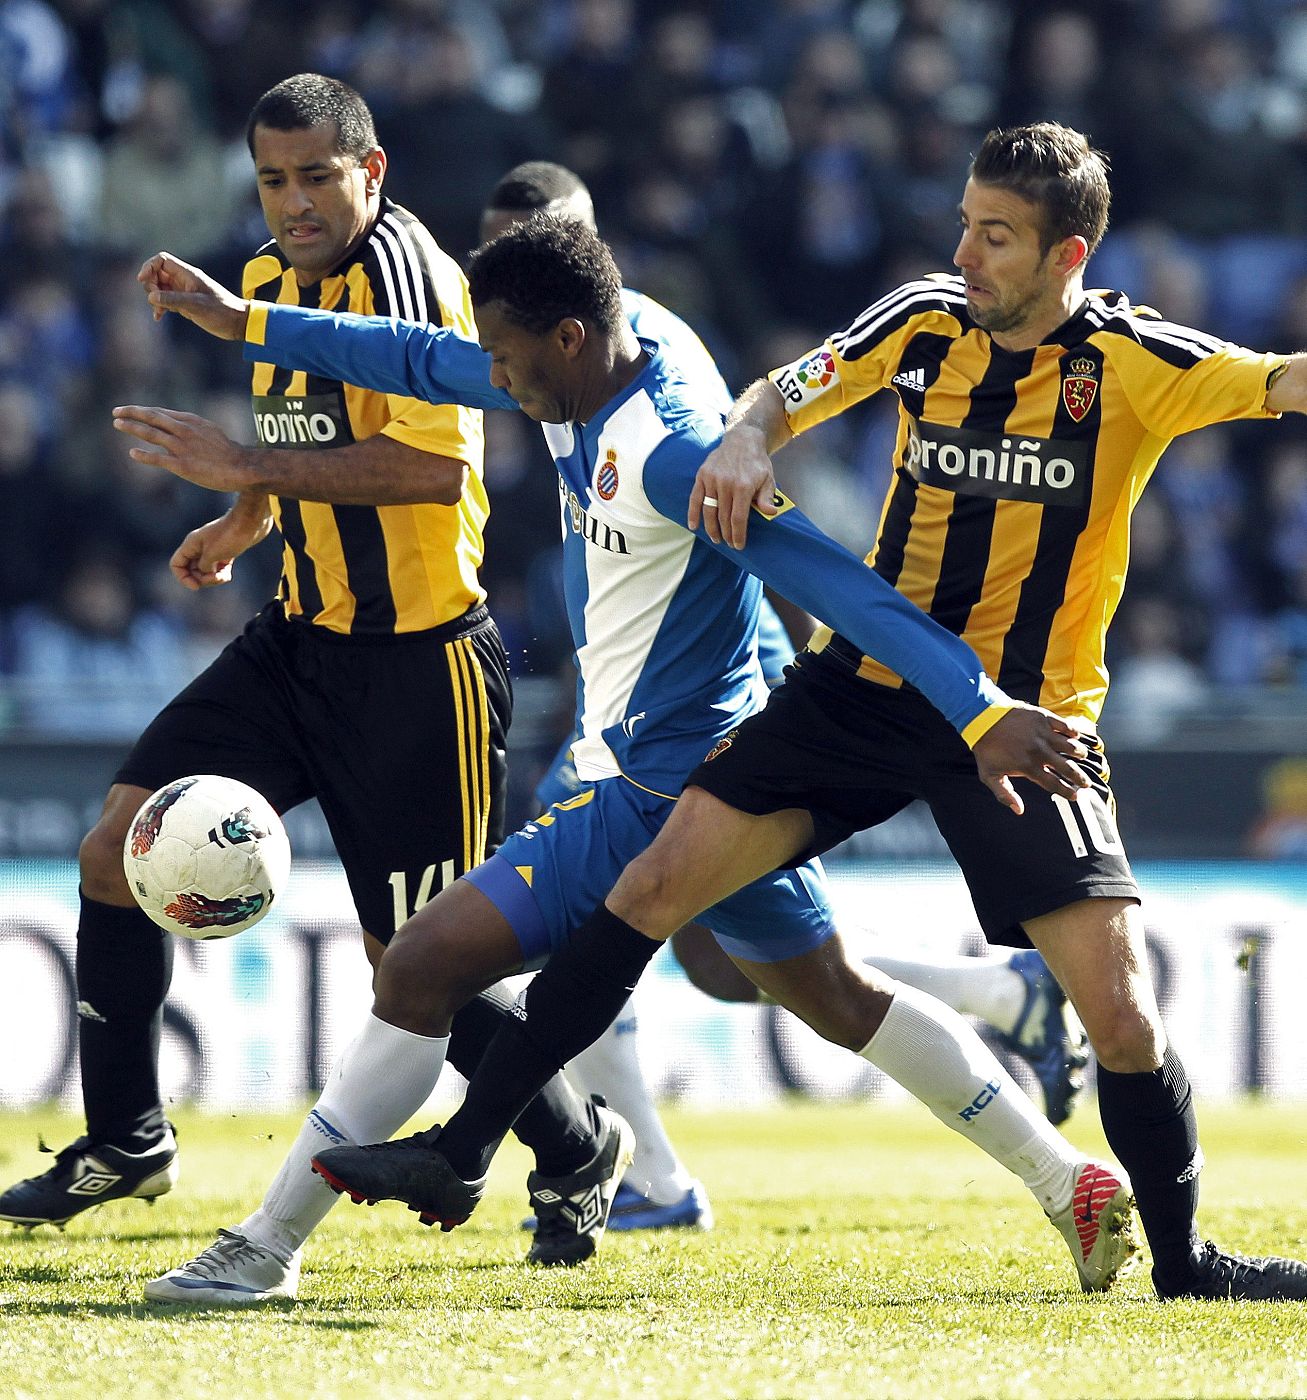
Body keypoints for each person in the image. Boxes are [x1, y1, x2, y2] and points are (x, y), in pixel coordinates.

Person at [330, 124, 1307, 1302]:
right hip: (858, 688)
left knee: (1121, 1016)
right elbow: (785, 390)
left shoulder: (1133, 359)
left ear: (1068, 255)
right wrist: (746, 440)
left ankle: (1184, 1261)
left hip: (1019, 720)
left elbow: (1281, 381)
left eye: (995, 237)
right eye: (964, 225)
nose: (964, 253)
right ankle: (464, 1146)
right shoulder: (923, 319)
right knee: (651, 887)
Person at [116, 214, 1138, 1302]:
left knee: (418, 964)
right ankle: (1066, 1177)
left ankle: (266, 1245)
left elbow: (841, 585)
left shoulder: (672, 454)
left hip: (654, 788)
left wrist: (978, 709)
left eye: (506, 358)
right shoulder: (591, 355)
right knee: (839, 997)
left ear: (566, 336)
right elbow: (414, 356)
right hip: (715, 784)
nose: (494, 380)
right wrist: (243, 320)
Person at [0, 75, 609, 1301]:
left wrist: (237, 462)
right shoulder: (268, 281)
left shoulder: (407, 277)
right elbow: (301, 439)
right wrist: (244, 516)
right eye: (273, 180)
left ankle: (577, 1144)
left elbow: (432, 470)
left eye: (317, 177)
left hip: (420, 667)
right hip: (297, 638)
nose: (294, 203)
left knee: (417, 966)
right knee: (117, 843)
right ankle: (127, 1138)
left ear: (370, 171)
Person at [486, 162, 1089, 1240]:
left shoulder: (653, 377)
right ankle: (1004, 1004)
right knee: (733, 967)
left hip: (694, 725)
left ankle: (643, 1173)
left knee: (605, 934)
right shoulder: (531, 368)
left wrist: (919, 693)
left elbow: (769, 549)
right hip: (629, 719)